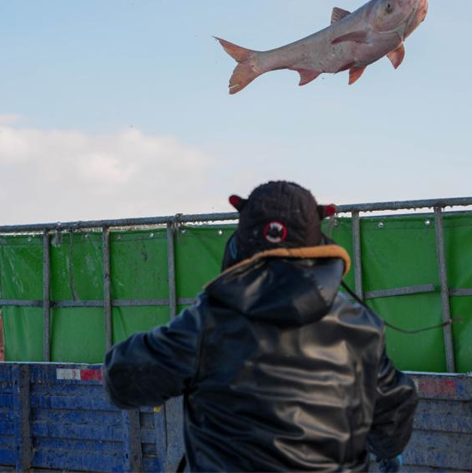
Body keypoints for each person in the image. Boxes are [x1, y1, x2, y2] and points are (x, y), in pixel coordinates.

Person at [103, 180, 418, 471]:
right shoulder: (361, 327)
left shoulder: (208, 322)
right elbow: (395, 409)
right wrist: (388, 451)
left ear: (238, 248)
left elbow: (122, 380)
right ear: (319, 245)